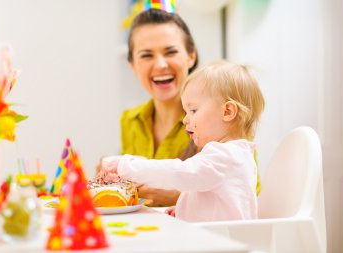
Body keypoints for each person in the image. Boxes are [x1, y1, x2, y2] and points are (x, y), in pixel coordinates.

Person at [98, 60, 265, 222]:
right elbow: (213, 197)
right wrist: (185, 209)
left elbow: (179, 173)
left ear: (228, 111)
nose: (186, 119)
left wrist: (125, 165)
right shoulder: (229, 156)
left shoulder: (227, 156)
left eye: (193, 110)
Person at [97, 8, 199, 207]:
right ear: (132, 65)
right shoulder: (130, 120)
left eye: (170, 52)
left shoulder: (219, 118)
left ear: (191, 56)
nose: (160, 65)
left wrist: (177, 197)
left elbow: (244, 195)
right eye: (146, 55)